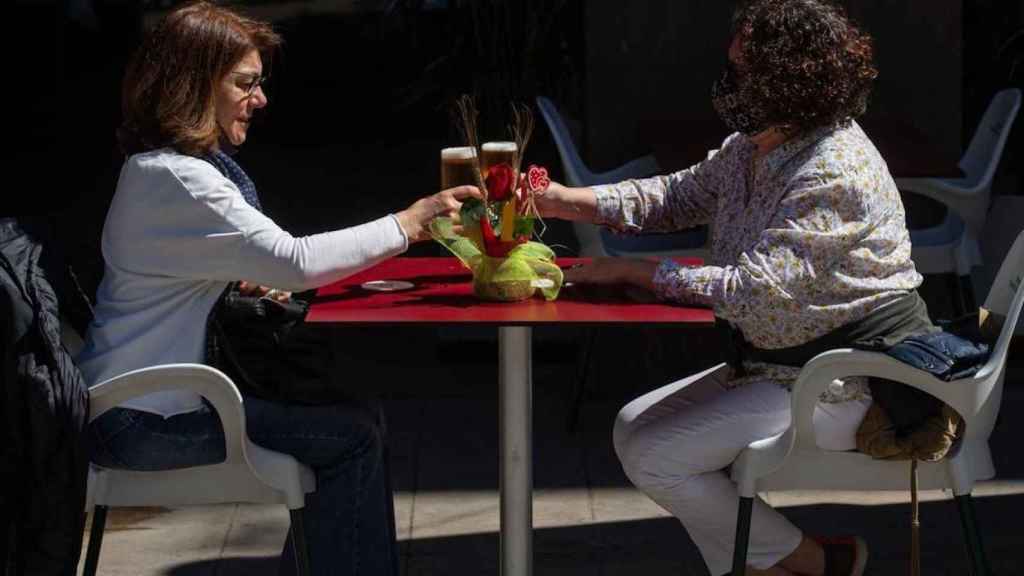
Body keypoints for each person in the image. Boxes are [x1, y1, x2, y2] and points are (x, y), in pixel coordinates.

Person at [76, 2, 480, 575]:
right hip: (143, 421)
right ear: (194, 86)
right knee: (352, 435)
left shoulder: (160, 170)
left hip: (138, 406)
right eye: (245, 84)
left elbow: (255, 264)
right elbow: (294, 259)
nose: (260, 100)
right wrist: (409, 223)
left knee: (353, 422)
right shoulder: (179, 178)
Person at [536, 1, 929, 575]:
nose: (729, 79)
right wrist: (564, 200)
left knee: (656, 454)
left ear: (787, 79)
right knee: (633, 427)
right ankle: (806, 563)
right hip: (777, 365)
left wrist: (639, 273)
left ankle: (816, 564)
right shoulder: (759, 145)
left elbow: (755, 291)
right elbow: (678, 196)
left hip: (845, 379)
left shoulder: (833, 168)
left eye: (744, 70)